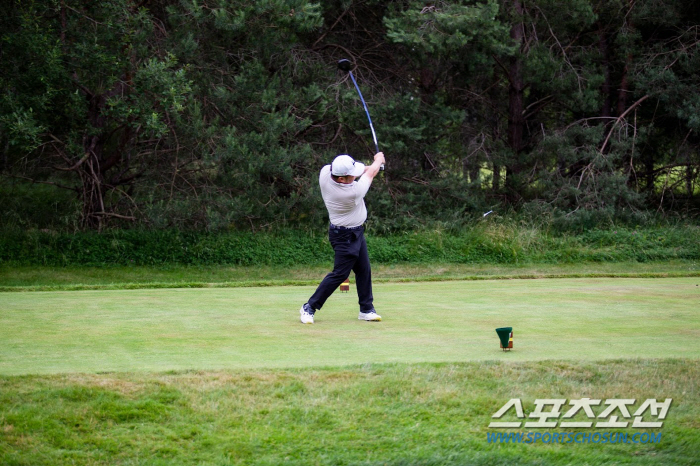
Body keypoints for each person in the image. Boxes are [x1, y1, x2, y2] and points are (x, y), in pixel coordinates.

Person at [300, 152, 386, 324]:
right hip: (344, 236)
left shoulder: (326, 172)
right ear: (341, 179)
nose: (354, 177)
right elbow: (369, 174)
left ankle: (366, 309)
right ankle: (309, 307)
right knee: (340, 274)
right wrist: (378, 161)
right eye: (350, 176)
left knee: (363, 270)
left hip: (356, 232)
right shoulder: (351, 193)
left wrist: (375, 166)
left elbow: (363, 172)